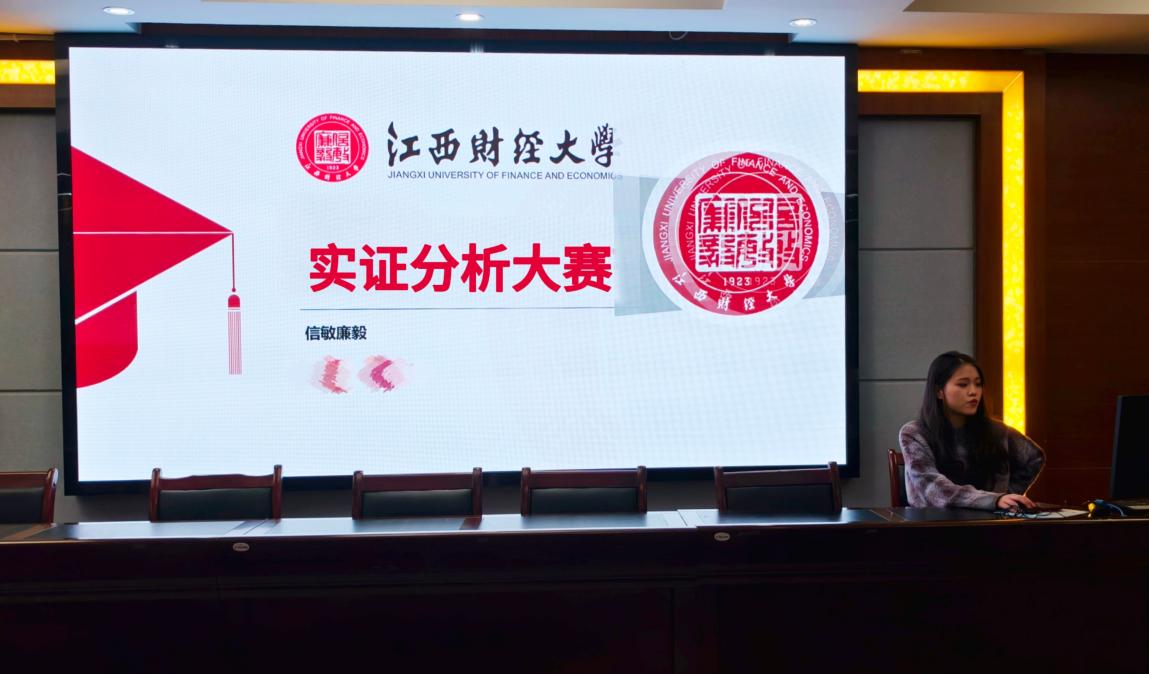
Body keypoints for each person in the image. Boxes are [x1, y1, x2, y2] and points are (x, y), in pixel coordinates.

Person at [899, 351, 1045, 511]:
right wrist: (992, 499)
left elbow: (1034, 458)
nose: (973, 391)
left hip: (989, 521)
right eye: (963, 384)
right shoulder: (914, 433)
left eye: (978, 384)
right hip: (933, 521)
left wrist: (1007, 497)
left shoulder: (997, 431)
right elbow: (932, 487)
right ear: (939, 391)